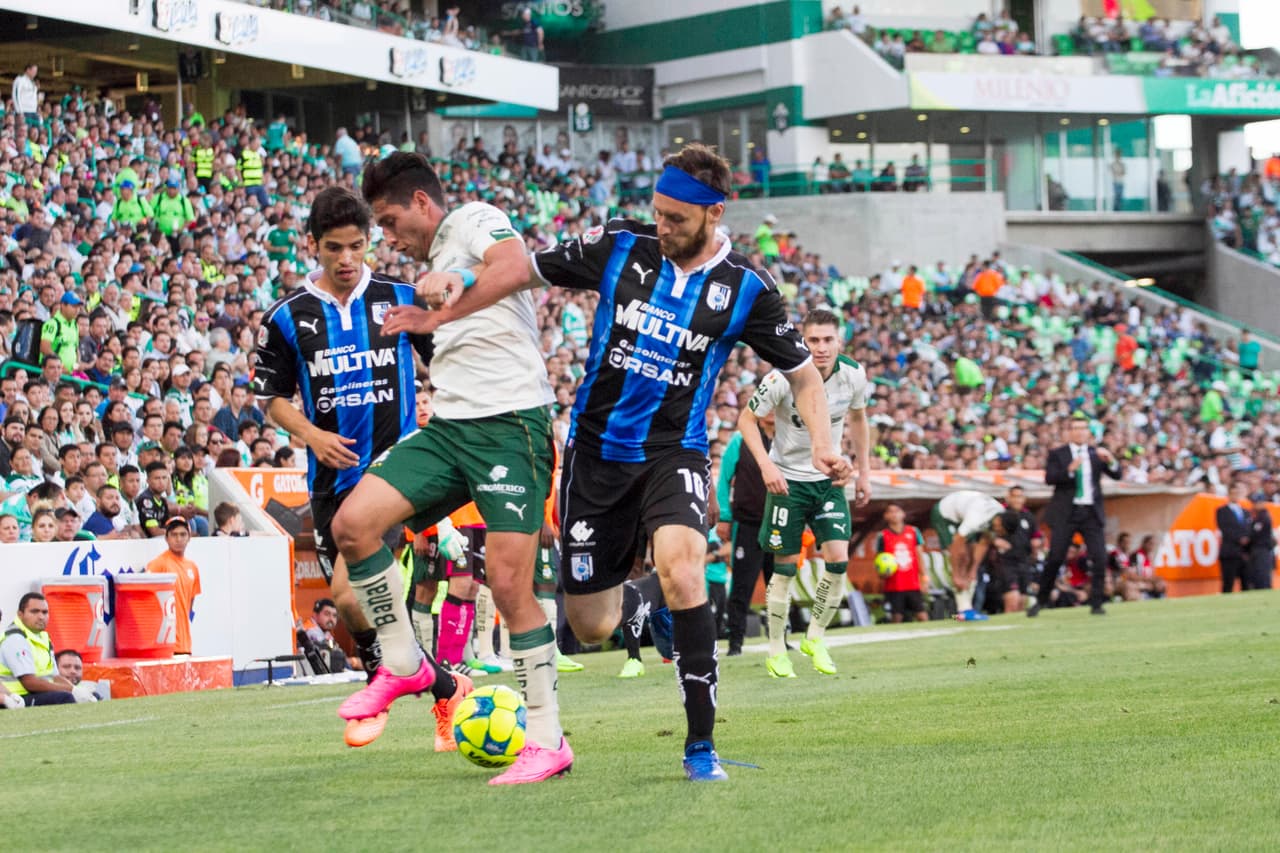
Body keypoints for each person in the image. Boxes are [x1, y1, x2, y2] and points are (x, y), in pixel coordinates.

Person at [413, 143, 851, 781]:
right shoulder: (620, 245)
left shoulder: (749, 290)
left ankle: (700, 744)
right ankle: (639, 607)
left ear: (714, 214)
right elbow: (525, 270)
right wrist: (457, 291)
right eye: (659, 212)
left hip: (674, 452)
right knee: (591, 626)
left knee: (684, 568)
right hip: (594, 458)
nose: (663, 226)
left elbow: (805, 379)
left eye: (677, 217)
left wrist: (822, 444)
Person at [321, 152, 561, 783]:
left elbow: (514, 266)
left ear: (422, 204)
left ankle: (548, 738)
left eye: (390, 220)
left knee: (510, 589)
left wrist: (437, 312)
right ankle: (404, 663)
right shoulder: (432, 263)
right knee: (354, 525)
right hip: (452, 429)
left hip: (512, 427)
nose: (387, 237)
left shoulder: (474, 219)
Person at [251, 185, 467, 751]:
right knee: (358, 603)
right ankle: (444, 686)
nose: (347, 259)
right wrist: (312, 434)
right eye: (333, 248)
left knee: (350, 597)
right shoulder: (286, 318)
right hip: (329, 487)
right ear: (312, 246)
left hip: (392, 475)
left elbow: (446, 359)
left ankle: (386, 682)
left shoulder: (397, 298)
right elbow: (270, 398)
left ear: (369, 242)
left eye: (357, 246)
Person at [738, 308, 869, 678]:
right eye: (813, 340)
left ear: (839, 341)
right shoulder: (782, 377)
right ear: (802, 341)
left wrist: (864, 473)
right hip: (789, 482)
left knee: (839, 559)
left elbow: (859, 420)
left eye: (828, 340)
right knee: (784, 569)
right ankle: (777, 648)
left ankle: (815, 636)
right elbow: (746, 420)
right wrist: (767, 466)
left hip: (829, 479)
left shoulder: (854, 375)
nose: (821, 348)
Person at [1028, 413, 1121, 617]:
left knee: (1099, 557)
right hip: (1066, 512)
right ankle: (1041, 600)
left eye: (1083, 428)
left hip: (1090, 512)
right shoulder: (1058, 454)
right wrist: (1069, 470)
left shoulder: (1097, 454)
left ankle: (1097, 603)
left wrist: (1112, 460)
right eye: (1076, 428)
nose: (1080, 432)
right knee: (1055, 557)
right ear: (1069, 432)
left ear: (1088, 432)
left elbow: (1117, 474)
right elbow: (1050, 478)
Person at [715, 410, 775, 657]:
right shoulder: (740, 441)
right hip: (747, 523)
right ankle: (735, 643)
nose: (772, 410)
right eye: (767, 405)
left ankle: (779, 639)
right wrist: (725, 517)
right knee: (742, 586)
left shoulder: (788, 437)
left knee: (779, 585)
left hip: (779, 524)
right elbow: (723, 480)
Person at [931, 489, 1004, 620]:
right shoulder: (977, 517)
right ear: (998, 522)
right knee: (961, 558)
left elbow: (984, 543)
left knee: (970, 561)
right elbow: (957, 542)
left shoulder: (999, 515)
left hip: (962, 516)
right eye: (1000, 530)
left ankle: (967, 610)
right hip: (945, 515)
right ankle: (961, 610)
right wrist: (956, 574)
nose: (999, 532)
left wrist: (973, 570)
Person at [0, 593, 82, 706]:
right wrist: (70, 690)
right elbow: (29, 683)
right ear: (20, 614)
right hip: (20, 696)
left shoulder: (43, 638)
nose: (41, 616)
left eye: (45, 612)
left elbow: (55, 677)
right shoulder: (15, 639)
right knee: (65, 697)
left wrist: (76, 690)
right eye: (34, 611)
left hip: (33, 693)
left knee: (91, 695)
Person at [144, 517, 203, 655]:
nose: (178, 539)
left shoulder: (192, 567)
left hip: (184, 643)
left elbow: (189, 603)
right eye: (174, 535)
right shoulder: (159, 563)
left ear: (189, 538)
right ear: (166, 538)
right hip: (165, 643)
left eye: (183, 535)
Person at [875, 503, 928, 622]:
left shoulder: (913, 531)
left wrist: (924, 577)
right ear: (886, 516)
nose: (894, 514)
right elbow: (879, 560)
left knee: (922, 615)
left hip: (913, 583)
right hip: (894, 585)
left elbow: (919, 555)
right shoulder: (882, 536)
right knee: (897, 616)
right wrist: (882, 574)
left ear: (903, 514)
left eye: (897, 511)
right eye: (890, 511)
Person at [991, 485, 1037, 614]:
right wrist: (994, 540)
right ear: (1008, 497)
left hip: (1024, 562)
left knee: (1023, 600)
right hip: (1006, 562)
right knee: (1013, 599)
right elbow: (985, 532)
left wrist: (1036, 545)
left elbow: (1035, 536)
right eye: (1015, 496)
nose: (1018, 500)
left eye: (1020, 496)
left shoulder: (1028, 516)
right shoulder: (1000, 513)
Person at [1215, 481, 1252, 594]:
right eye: (1233, 493)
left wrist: (1247, 539)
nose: (1235, 495)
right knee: (1228, 583)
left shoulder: (1246, 512)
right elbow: (1225, 529)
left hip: (1244, 553)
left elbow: (1249, 529)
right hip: (1230, 552)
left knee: (1246, 582)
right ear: (1229, 494)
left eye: (1237, 493)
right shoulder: (1222, 511)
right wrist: (1240, 539)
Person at [1247, 494, 1274, 590]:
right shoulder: (1256, 516)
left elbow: (1254, 533)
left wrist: (1246, 538)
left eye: (1257, 503)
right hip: (1258, 549)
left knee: (1262, 574)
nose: (1254, 505)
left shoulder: (1264, 516)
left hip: (1262, 549)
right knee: (1257, 574)